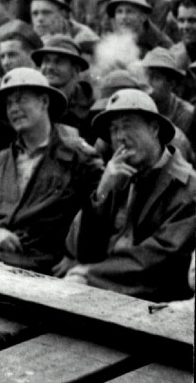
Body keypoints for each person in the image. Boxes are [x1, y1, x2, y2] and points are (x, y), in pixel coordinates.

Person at [61, 88, 196, 300]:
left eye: (128, 125)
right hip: (105, 288)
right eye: (114, 130)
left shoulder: (188, 187)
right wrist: (102, 192)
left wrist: (92, 276)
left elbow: (161, 257)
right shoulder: (118, 175)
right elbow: (79, 249)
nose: (120, 137)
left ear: (154, 128)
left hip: (151, 300)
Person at [0, 68, 101, 273]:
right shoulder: (2, 160)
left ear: (44, 102)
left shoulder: (77, 156)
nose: (14, 109)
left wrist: (78, 258)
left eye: (21, 100)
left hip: (42, 266)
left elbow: (102, 212)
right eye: (9, 103)